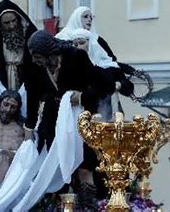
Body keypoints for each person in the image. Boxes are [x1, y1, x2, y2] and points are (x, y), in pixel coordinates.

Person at [26, 30, 115, 208]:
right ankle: (62, 206)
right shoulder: (36, 68)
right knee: (57, 166)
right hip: (55, 121)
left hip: (83, 120)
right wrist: (28, 128)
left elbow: (102, 86)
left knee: (84, 165)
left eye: (37, 56)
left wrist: (82, 97)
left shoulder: (76, 57)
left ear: (48, 53)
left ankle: (87, 206)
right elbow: (33, 96)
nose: (35, 60)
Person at [67, 28, 134, 120]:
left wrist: (118, 85)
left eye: (82, 43)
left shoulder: (108, 66)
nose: (78, 47)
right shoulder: (72, 67)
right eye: (75, 45)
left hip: (105, 116)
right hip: (78, 116)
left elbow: (129, 88)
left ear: (91, 43)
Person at [56, 6, 136, 75]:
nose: (89, 19)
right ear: (76, 18)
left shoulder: (96, 39)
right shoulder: (63, 37)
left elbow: (110, 59)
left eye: (91, 17)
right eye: (85, 16)